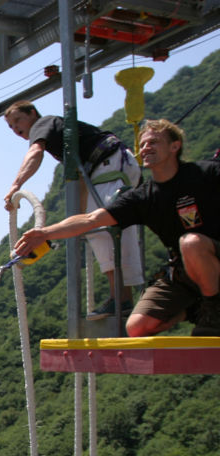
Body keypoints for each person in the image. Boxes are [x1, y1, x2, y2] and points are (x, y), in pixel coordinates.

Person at [14, 119, 220, 337]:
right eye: (142, 144)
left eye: (154, 142)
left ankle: (214, 312)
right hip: (183, 271)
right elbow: (92, 219)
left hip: (211, 255)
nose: (146, 148)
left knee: (191, 243)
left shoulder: (205, 174)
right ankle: (193, 311)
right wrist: (45, 233)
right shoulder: (143, 196)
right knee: (136, 328)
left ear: (174, 146)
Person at [3, 101, 144, 320]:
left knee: (102, 229)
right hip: (118, 163)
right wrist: (73, 225)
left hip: (110, 163)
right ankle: (123, 297)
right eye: (11, 127)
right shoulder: (64, 138)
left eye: (18, 120)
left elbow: (35, 152)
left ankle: (121, 298)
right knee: (107, 227)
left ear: (32, 113)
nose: (16, 129)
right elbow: (80, 179)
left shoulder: (43, 124)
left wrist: (15, 186)